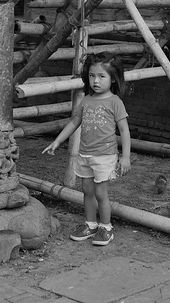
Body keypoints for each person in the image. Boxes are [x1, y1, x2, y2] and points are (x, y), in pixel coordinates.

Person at [42, 52, 131, 246]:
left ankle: (106, 227)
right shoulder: (87, 101)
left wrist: (125, 157)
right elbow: (74, 122)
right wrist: (57, 141)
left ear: (113, 78)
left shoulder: (115, 102)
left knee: (101, 193)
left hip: (105, 155)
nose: (96, 81)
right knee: (87, 190)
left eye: (101, 76)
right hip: (85, 154)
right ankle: (90, 225)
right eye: (92, 76)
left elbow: (124, 130)